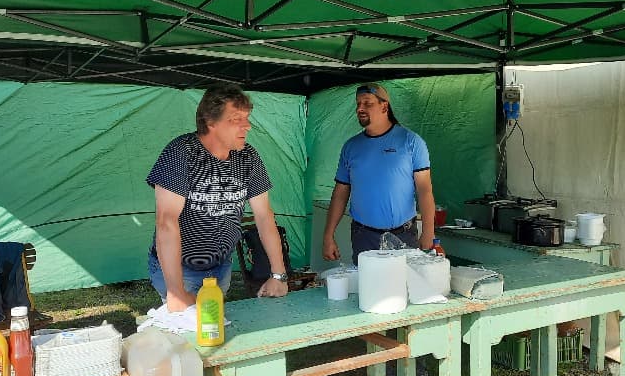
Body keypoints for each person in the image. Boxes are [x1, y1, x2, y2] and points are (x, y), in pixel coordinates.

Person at [146, 83, 288, 310]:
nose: (247, 126)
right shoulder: (181, 153)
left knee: (213, 326)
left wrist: (278, 275)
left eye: (247, 118)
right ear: (210, 121)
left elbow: (264, 216)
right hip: (181, 270)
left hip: (221, 267)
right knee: (190, 329)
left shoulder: (247, 157)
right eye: (236, 119)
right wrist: (176, 291)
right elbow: (166, 222)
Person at [322, 83, 436, 263]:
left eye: (367, 103)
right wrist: (328, 235)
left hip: (404, 235)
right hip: (364, 237)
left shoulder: (411, 142)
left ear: (384, 106)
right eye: (358, 103)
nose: (360, 108)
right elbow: (340, 194)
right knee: (366, 281)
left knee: (403, 281)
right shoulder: (351, 147)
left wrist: (428, 232)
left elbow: (424, 190)